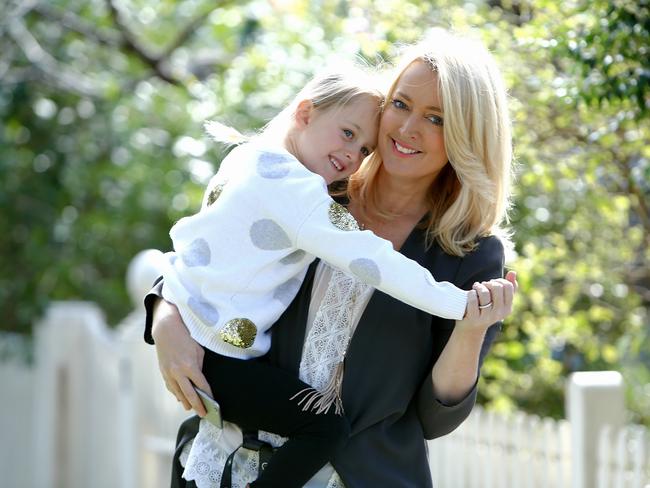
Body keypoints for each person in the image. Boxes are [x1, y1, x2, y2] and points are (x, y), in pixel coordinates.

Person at [145, 27, 517, 488]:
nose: (407, 128)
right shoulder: (316, 186)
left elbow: (435, 418)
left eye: (437, 119)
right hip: (230, 461)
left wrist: (471, 328)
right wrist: (165, 319)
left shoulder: (470, 253)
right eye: (400, 105)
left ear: (468, 135)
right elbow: (211, 251)